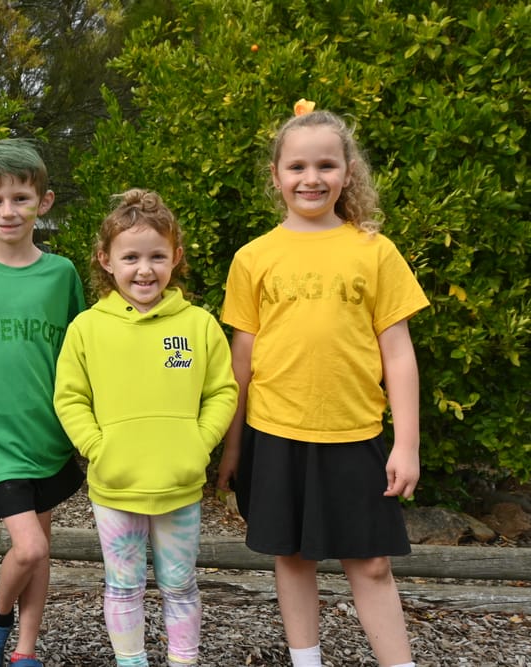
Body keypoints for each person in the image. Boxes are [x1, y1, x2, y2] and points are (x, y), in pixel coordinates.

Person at [216, 103, 428, 667]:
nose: (312, 179)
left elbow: (399, 352)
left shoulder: (374, 251)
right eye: (298, 167)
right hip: (274, 430)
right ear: (276, 175)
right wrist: (232, 445)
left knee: (373, 563)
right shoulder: (253, 257)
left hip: (354, 432)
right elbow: (243, 358)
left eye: (326, 166)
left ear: (347, 172)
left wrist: (406, 443)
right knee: (291, 555)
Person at [53, 189, 238, 667]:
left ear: (175, 258)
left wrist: (198, 444)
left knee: (180, 584)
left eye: (157, 256)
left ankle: (184, 660)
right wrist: (99, 447)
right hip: (115, 487)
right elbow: (71, 398)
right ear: (105, 261)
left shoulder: (198, 325)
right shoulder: (87, 329)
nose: (144, 269)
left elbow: (222, 391)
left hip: (180, 485)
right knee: (123, 586)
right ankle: (131, 662)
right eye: (130, 256)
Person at [0, 138, 86, 667]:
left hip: (49, 433)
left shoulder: (62, 273)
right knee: (27, 547)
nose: (8, 211)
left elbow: (79, 353)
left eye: (20, 199)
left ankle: (25, 651)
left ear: (43, 202)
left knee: (42, 547)